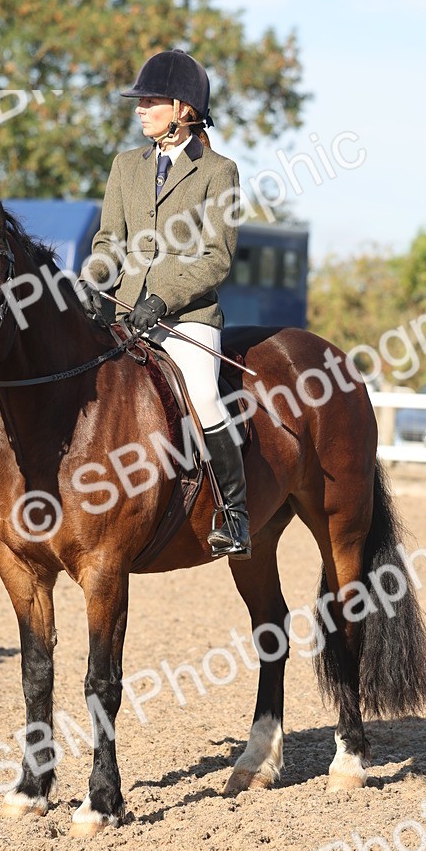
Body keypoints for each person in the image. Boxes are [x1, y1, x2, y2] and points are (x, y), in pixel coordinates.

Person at [78, 48, 250, 559]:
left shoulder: (219, 171)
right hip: (127, 311)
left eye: (149, 100)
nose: (138, 108)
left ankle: (234, 513)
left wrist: (164, 298)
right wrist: (94, 279)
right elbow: (109, 241)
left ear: (181, 108)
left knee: (201, 392)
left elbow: (217, 257)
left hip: (186, 319)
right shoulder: (125, 165)